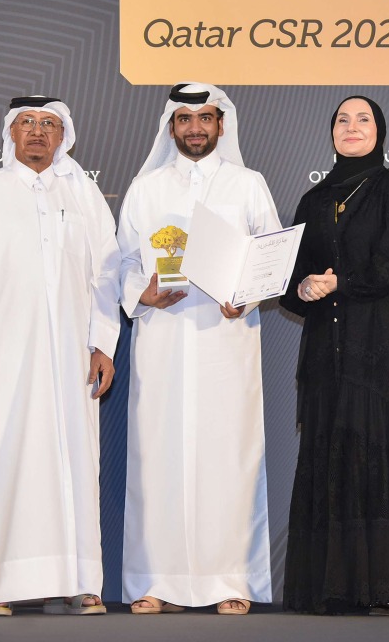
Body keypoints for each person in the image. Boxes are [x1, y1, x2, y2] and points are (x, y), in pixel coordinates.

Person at [279, 96, 389, 616]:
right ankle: (334, 589)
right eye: (341, 120)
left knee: (383, 454)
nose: (351, 127)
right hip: (324, 356)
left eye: (363, 120)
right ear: (330, 133)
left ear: (379, 131)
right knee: (331, 454)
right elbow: (289, 280)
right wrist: (305, 288)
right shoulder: (313, 200)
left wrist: (340, 283)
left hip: (379, 347)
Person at [0, 96, 121, 617]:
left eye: (49, 125)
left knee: (73, 466)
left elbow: (106, 275)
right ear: (11, 135)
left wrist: (102, 343)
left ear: (63, 136)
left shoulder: (83, 193)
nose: (38, 133)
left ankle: (80, 580)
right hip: (1, 358)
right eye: (27, 123)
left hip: (71, 360)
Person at [117, 82, 279, 615]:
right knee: (156, 458)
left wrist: (247, 295)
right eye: (184, 120)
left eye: (204, 119)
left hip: (226, 342)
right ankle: (153, 581)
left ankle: (231, 580)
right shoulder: (146, 188)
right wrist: (142, 293)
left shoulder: (248, 184)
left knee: (227, 457)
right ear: (171, 127)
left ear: (220, 125)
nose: (194, 128)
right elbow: (121, 262)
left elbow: (271, 256)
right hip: (162, 341)